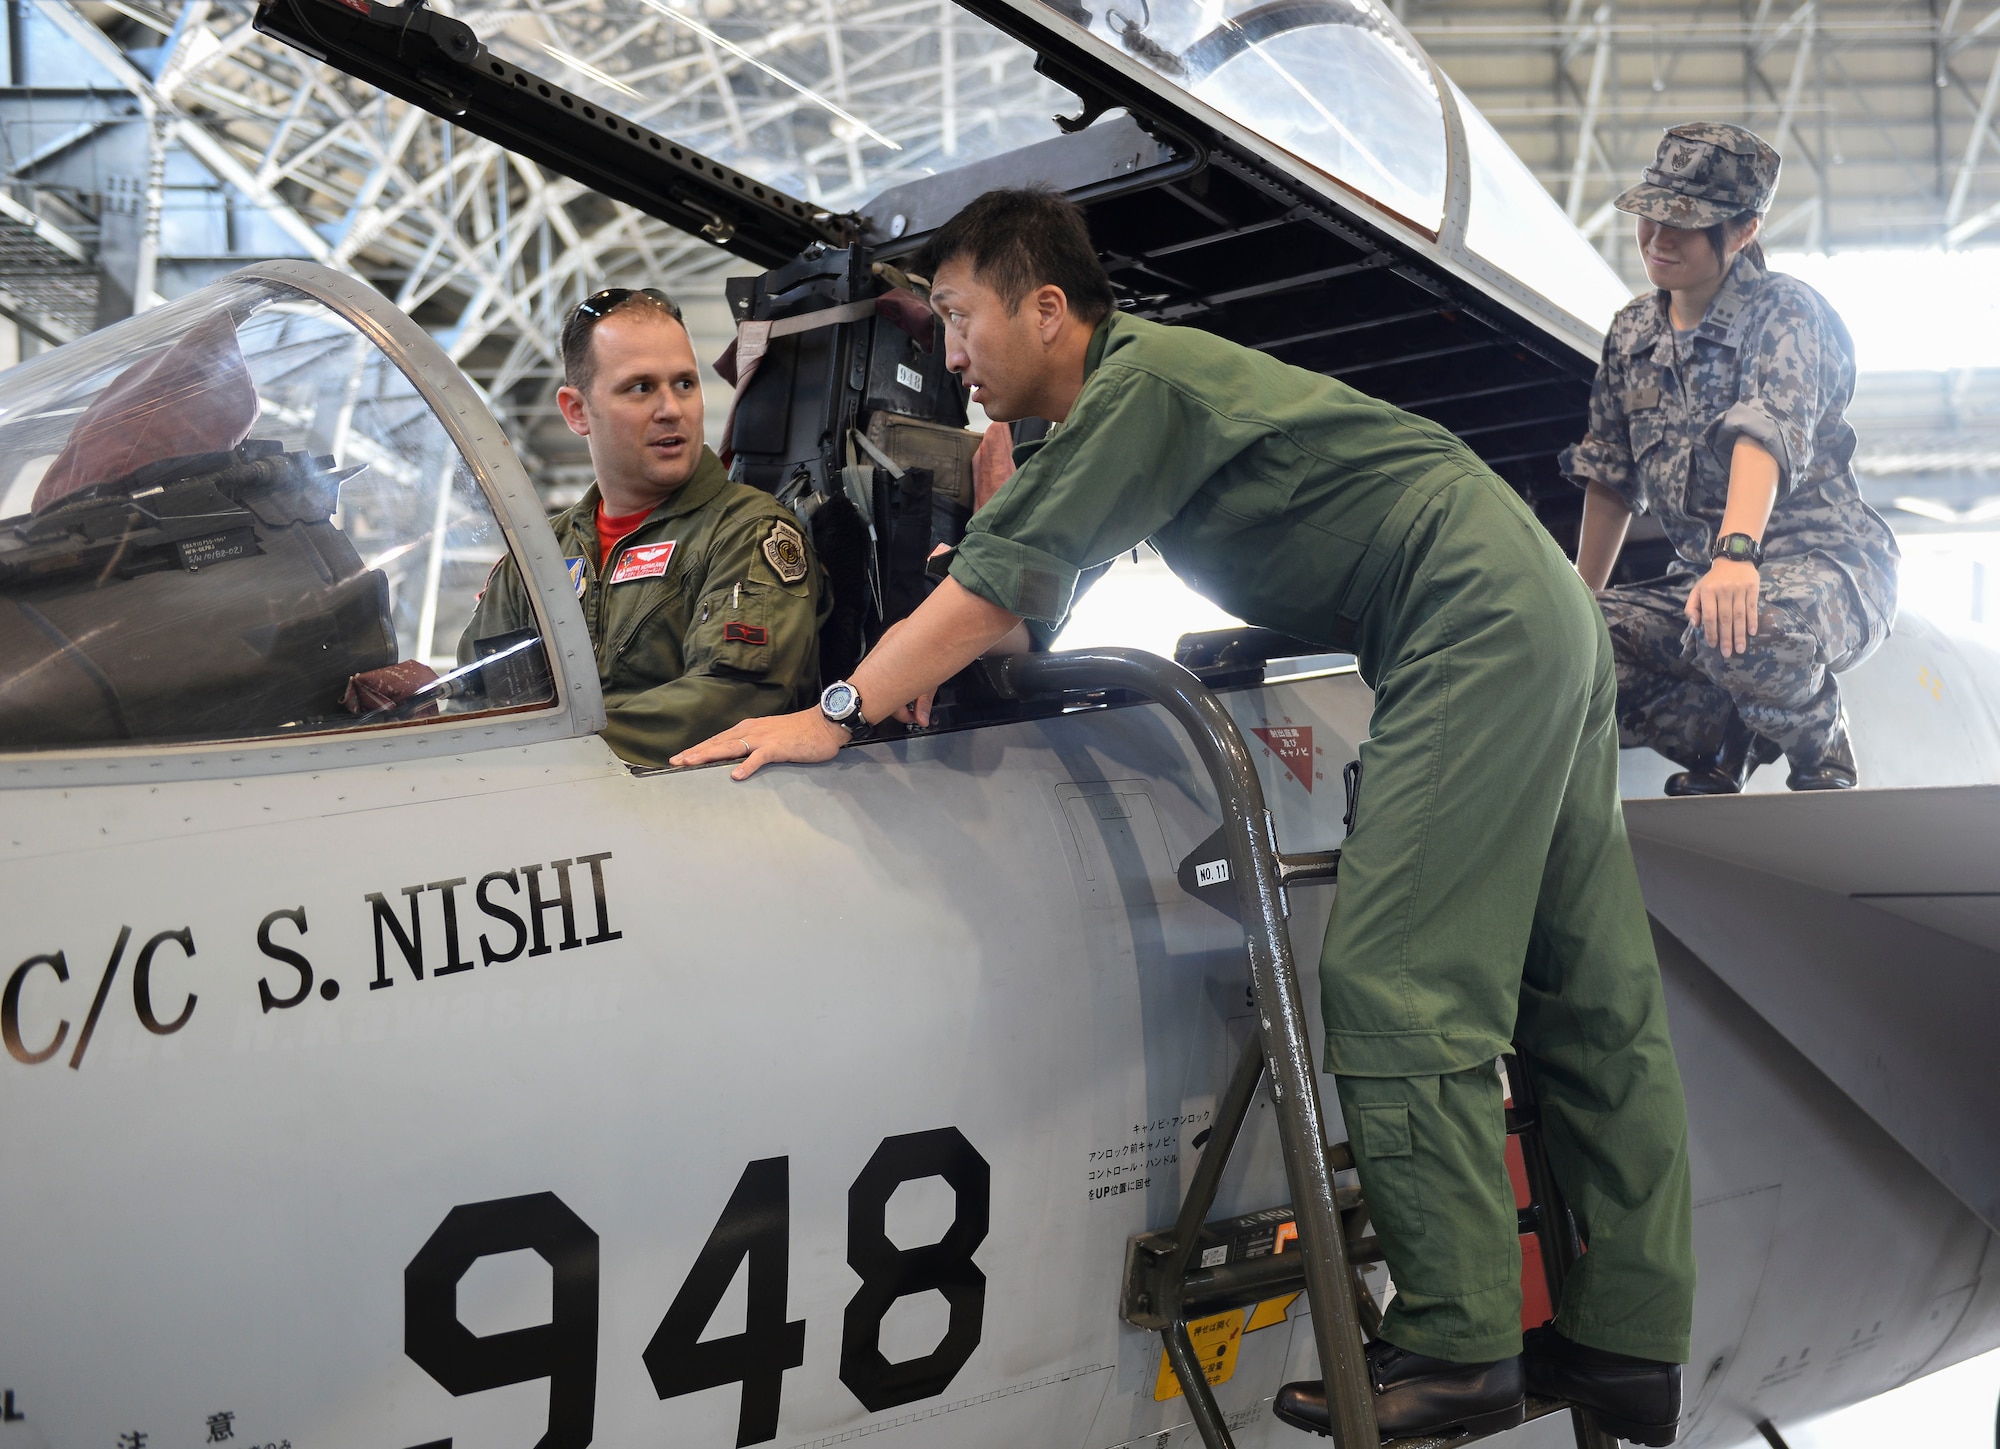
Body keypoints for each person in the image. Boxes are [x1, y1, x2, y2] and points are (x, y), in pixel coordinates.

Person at [673, 190, 1695, 1445]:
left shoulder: (1138, 389)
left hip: (1465, 623)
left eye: (958, 318)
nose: (949, 355)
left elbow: (1003, 591)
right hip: (1537, 611)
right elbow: (1027, 567)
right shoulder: (1135, 397)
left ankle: (1457, 1343)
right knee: (1585, 999)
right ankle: (1628, 1343)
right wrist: (974, 574)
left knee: (1392, 987)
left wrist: (832, 708)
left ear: (1048, 309)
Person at [1565, 122, 1898, 794]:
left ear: (1743, 231)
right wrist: (1577, 598)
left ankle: (1822, 743)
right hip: (1704, 584)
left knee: (1742, 627)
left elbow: (1762, 435)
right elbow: (1610, 477)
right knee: (1561, 647)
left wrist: (1735, 555)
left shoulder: (1786, 313)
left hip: (1828, 567)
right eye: (1651, 216)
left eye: (1684, 225)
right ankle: (1723, 736)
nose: (1658, 239)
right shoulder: (1632, 332)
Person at [462, 286, 828, 767]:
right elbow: (475, 695)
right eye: (640, 387)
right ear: (576, 411)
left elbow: (732, 700)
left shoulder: (746, 532)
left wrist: (542, 747)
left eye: (684, 384)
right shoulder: (536, 556)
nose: (671, 409)